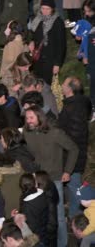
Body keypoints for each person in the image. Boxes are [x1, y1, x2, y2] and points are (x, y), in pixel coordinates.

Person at [23, 105, 79, 247]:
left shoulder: (55, 133)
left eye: (31, 117)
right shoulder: (27, 132)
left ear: (39, 117)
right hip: (36, 179)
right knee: (40, 216)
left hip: (54, 179)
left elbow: (73, 149)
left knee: (58, 216)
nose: (28, 120)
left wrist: (67, 171)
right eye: (26, 117)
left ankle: (62, 244)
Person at [58, 76, 93, 218]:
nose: (61, 85)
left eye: (64, 83)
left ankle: (78, 222)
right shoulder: (82, 102)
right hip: (74, 155)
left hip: (72, 158)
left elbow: (74, 137)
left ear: (69, 89)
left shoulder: (72, 108)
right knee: (73, 188)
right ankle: (75, 216)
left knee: (75, 190)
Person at [29, 0, 66, 86]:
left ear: (52, 9)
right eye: (42, 8)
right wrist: (32, 41)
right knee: (37, 83)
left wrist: (57, 64)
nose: (44, 11)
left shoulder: (58, 22)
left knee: (47, 86)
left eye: (47, 9)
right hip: (38, 59)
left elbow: (61, 45)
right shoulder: (38, 19)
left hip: (50, 60)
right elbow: (34, 35)